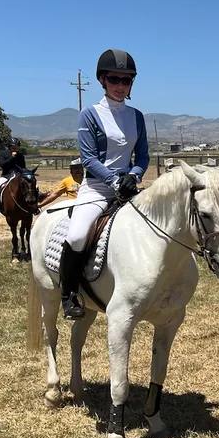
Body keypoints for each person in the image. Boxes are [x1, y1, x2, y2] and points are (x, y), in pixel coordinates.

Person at [59, 49, 149, 320]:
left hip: (129, 186)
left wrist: (134, 175)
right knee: (77, 235)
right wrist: (114, 180)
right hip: (97, 188)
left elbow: (143, 156)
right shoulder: (89, 114)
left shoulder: (137, 116)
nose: (120, 85)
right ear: (102, 80)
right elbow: (88, 158)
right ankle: (69, 294)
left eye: (126, 80)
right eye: (114, 79)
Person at [0, 138, 26, 217]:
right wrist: (12, 157)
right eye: (13, 147)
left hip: (19, 175)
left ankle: (35, 206)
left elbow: (23, 167)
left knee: (33, 186)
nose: (15, 148)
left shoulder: (21, 155)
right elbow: (2, 165)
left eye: (16, 146)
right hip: (6, 176)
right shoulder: (3, 154)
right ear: (9, 147)